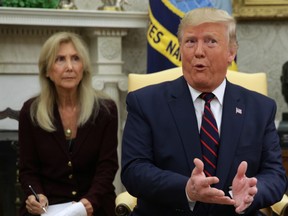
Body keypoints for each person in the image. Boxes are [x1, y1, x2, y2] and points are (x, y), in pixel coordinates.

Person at [121, 7, 287, 216]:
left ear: (231, 52)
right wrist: (186, 189)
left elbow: (275, 175)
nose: (199, 51)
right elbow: (134, 170)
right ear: (181, 49)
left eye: (211, 41)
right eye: (191, 41)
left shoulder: (259, 108)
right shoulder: (145, 102)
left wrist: (253, 191)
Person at [18, 32, 118, 216]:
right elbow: (27, 170)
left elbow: (107, 166)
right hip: (47, 209)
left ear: (84, 68)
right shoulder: (30, 112)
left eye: (75, 59)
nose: (70, 67)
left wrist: (89, 202)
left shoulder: (105, 110)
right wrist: (36, 195)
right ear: (47, 70)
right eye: (60, 60)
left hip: (93, 205)